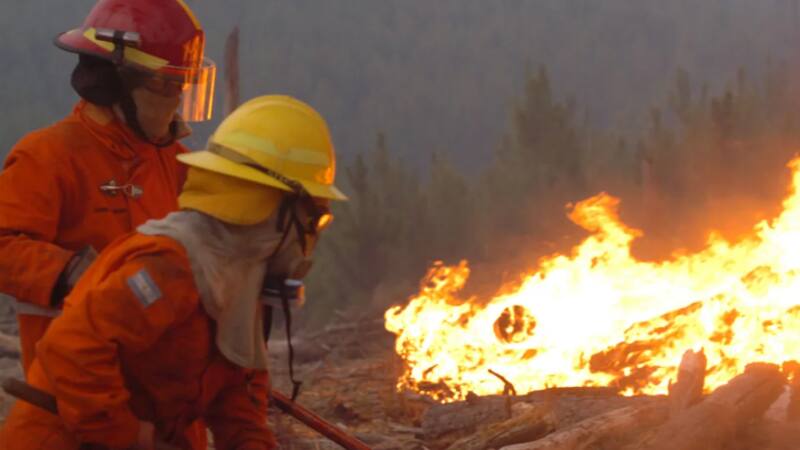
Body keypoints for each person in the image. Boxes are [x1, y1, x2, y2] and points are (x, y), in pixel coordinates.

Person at [0, 95, 347, 450]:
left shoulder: (236, 276)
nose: (312, 234)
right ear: (274, 208)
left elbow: (237, 397)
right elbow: (70, 351)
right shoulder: (172, 265)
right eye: (313, 217)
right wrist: (127, 435)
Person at [0, 0, 216, 373]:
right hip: (74, 392)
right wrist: (77, 275)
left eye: (182, 84)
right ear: (113, 80)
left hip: (164, 396)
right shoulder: (48, 156)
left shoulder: (179, 166)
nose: (178, 97)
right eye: (166, 83)